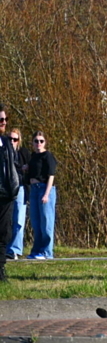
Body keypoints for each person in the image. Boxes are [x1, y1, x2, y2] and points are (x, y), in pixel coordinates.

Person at [26, 130, 57, 260]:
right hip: (34, 189)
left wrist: (46, 194)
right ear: (32, 143)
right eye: (36, 141)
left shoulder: (48, 155)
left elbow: (51, 176)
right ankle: (36, 250)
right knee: (36, 222)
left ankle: (47, 252)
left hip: (44, 189)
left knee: (46, 222)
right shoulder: (33, 156)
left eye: (41, 141)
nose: (38, 143)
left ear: (45, 142)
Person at [0, 107, 21, 278]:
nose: (4, 123)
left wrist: (14, 185)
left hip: (5, 195)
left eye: (5, 119)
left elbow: (14, 166)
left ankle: (0, 269)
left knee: (4, 232)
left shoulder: (6, 142)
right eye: (1, 120)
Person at [4, 127, 29, 261]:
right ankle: (5, 248)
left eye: (15, 139)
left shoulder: (23, 153)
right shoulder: (4, 153)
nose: (12, 141)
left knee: (18, 219)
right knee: (6, 219)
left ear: (19, 141)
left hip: (19, 188)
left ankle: (15, 249)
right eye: (10, 139)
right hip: (6, 189)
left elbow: (30, 167)